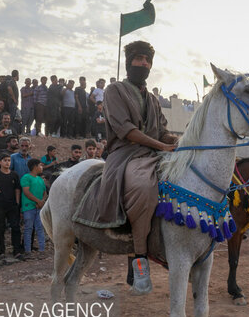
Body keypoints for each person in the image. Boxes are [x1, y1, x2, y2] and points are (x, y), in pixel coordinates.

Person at [75, 40, 177, 295]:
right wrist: (161, 146)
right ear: (129, 61)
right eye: (140, 58)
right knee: (143, 186)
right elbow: (125, 130)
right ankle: (140, 260)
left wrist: (179, 142)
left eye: (148, 61)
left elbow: (163, 132)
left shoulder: (152, 99)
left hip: (153, 152)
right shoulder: (114, 91)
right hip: (126, 153)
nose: (144, 64)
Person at [20, 159, 47, 258]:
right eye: (40, 165)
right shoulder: (26, 177)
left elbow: (45, 192)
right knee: (28, 229)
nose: (42, 167)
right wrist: (38, 201)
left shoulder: (40, 179)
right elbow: (26, 192)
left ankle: (42, 250)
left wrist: (42, 201)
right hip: (29, 207)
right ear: (35, 166)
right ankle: (28, 251)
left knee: (40, 228)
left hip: (38, 207)